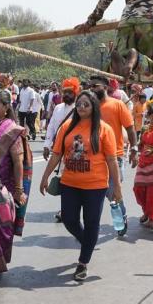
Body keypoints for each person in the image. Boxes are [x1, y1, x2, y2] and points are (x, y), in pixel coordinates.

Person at [39, 91, 121, 281]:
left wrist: (116, 186)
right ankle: (87, 242)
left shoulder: (104, 129)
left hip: (96, 186)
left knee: (92, 222)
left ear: (94, 107)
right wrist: (45, 176)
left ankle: (83, 262)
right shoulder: (67, 127)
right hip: (70, 184)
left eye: (86, 104)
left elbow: (112, 159)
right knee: (69, 219)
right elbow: (57, 154)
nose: (81, 107)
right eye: (79, 104)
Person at [0, 89, 31, 274]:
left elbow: (18, 162)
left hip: (3, 186)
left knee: (0, 226)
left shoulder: (12, 129)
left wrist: (19, 190)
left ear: (6, 107)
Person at [88, 75, 137, 237]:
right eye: (91, 86)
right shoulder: (89, 107)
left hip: (115, 156)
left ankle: (121, 218)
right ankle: (91, 228)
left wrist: (134, 149)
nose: (93, 89)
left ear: (106, 86)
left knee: (112, 192)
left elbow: (130, 128)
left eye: (96, 86)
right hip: (93, 157)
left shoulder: (117, 105)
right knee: (93, 194)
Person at [43, 77, 80, 223]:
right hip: (59, 150)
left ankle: (71, 209)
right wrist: (46, 145)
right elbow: (52, 127)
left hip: (76, 151)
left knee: (73, 180)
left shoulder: (81, 108)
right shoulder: (58, 108)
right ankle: (66, 209)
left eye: (70, 92)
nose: (67, 95)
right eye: (65, 92)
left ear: (76, 92)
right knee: (64, 181)